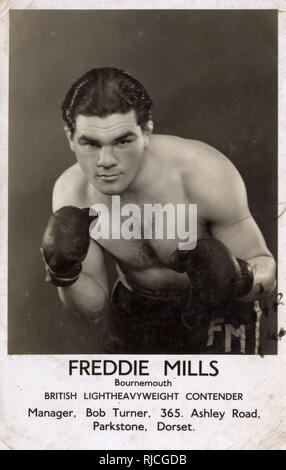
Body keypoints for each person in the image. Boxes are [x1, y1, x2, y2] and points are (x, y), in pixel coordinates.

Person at [41, 67, 276, 354]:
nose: (106, 161)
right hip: (137, 307)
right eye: (90, 143)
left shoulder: (202, 172)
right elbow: (93, 306)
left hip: (219, 310)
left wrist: (242, 277)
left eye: (123, 141)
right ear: (70, 137)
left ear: (146, 132)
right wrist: (64, 274)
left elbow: (265, 268)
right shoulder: (71, 193)